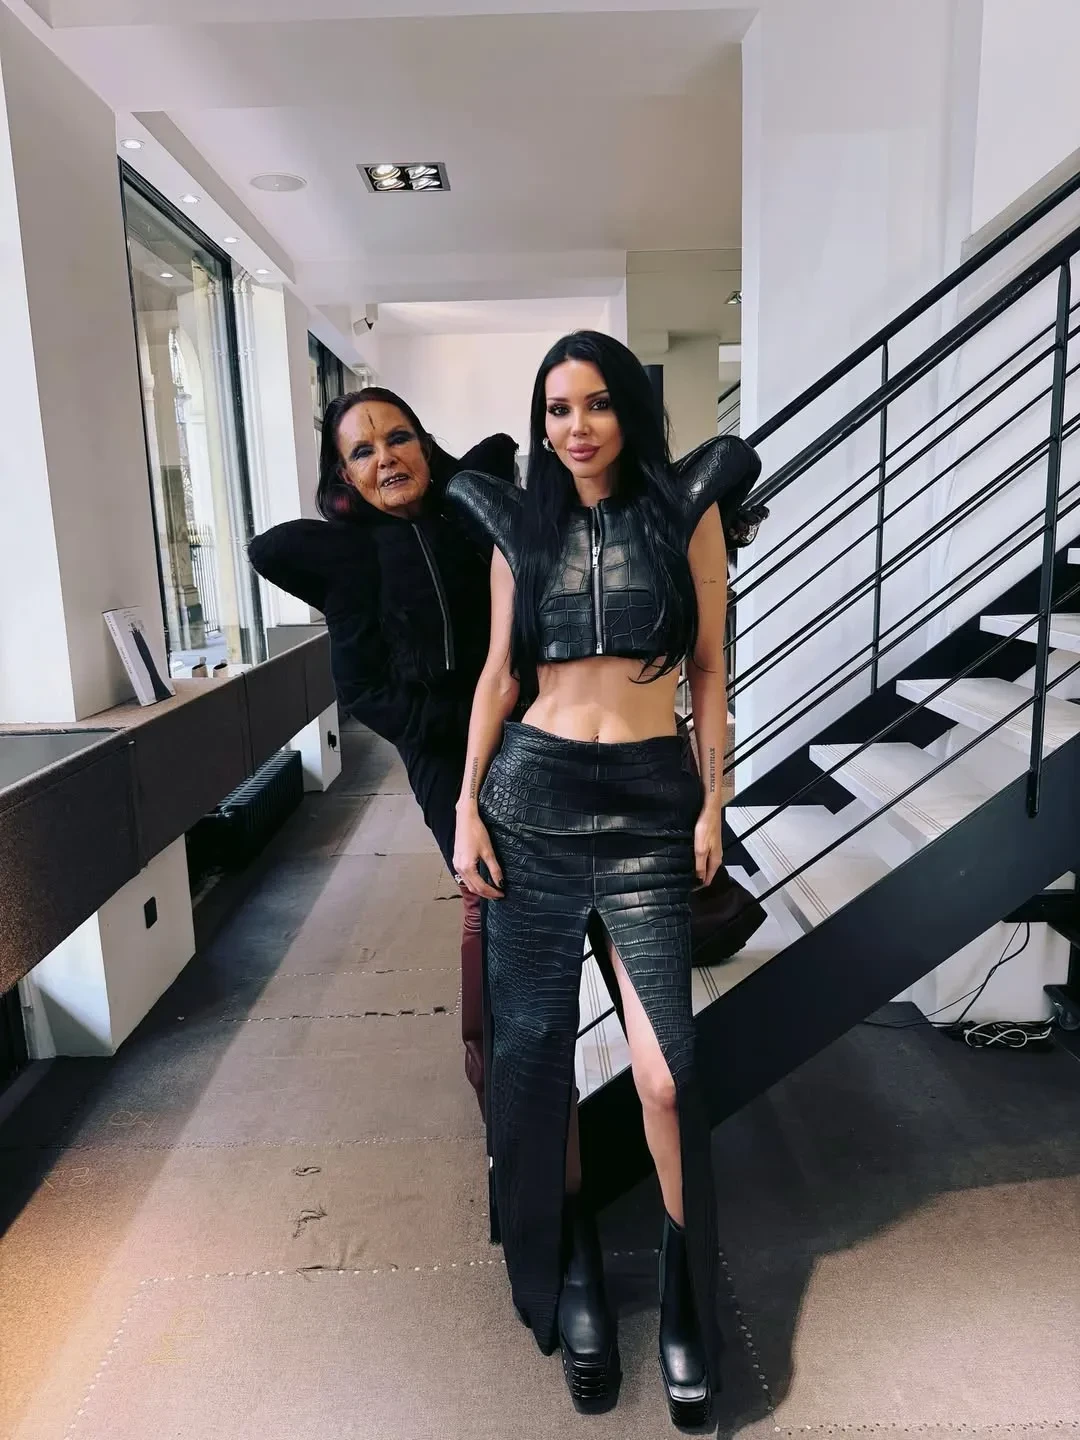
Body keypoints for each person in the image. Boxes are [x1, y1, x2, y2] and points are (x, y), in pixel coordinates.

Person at [447, 332, 761, 1425]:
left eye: (595, 404)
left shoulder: (685, 512)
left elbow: (709, 670)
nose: (574, 427)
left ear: (628, 411)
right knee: (536, 1061)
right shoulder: (519, 526)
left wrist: (713, 802)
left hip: (646, 808)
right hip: (529, 805)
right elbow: (499, 677)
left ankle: (684, 1297)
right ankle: (572, 1262)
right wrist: (466, 806)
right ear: (541, 424)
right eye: (556, 409)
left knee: (667, 1074)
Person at [248, 388, 517, 1116]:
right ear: (345, 475)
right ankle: (498, 1060)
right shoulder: (351, 558)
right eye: (362, 451)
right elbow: (365, 690)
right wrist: (450, 726)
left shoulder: (475, 518)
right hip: (441, 749)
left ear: (424, 445)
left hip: (525, 722)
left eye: (398, 439)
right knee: (490, 889)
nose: (386, 459)